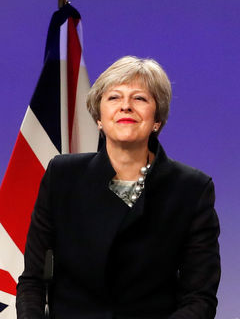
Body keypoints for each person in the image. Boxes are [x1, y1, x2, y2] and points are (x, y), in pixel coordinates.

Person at [17, 56, 221, 318]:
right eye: (114, 98)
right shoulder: (62, 176)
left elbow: (199, 298)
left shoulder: (192, 189)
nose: (126, 106)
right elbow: (32, 281)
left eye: (140, 98)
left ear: (156, 119)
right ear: (99, 118)